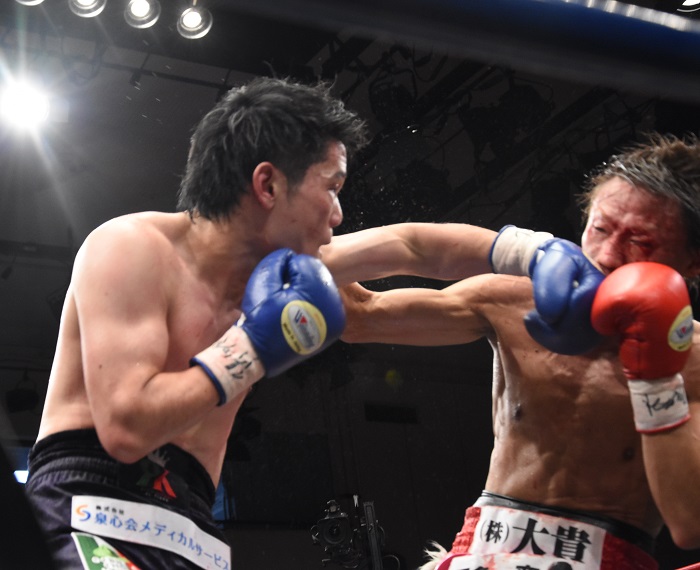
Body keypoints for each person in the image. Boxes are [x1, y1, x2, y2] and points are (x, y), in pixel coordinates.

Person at [24, 75, 506, 570]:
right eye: (332, 187)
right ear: (268, 185)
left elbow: (410, 245)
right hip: (88, 504)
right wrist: (252, 347)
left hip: (191, 526)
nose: (338, 214)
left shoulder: (283, 273)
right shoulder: (131, 247)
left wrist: (526, 251)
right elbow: (126, 429)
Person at [337, 133, 700, 570]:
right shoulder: (513, 300)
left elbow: (689, 523)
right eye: (600, 228)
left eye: (640, 242)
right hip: (483, 547)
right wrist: (297, 231)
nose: (606, 255)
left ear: (692, 262)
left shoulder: (695, 362)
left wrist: (656, 376)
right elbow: (358, 317)